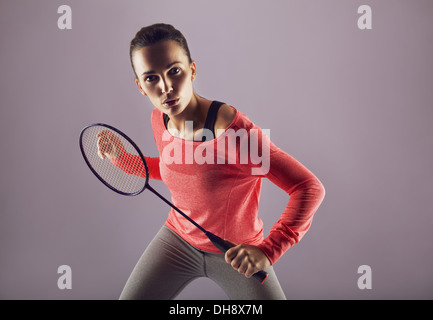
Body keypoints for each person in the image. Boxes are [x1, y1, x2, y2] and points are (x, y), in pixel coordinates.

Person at [97, 23, 325, 300]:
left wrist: (268, 250)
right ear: (140, 87)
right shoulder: (159, 119)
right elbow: (174, 169)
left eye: (174, 71)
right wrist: (121, 159)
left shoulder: (233, 133)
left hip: (235, 253)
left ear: (192, 70)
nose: (166, 87)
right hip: (177, 241)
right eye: (151, 78)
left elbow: (308, 187)